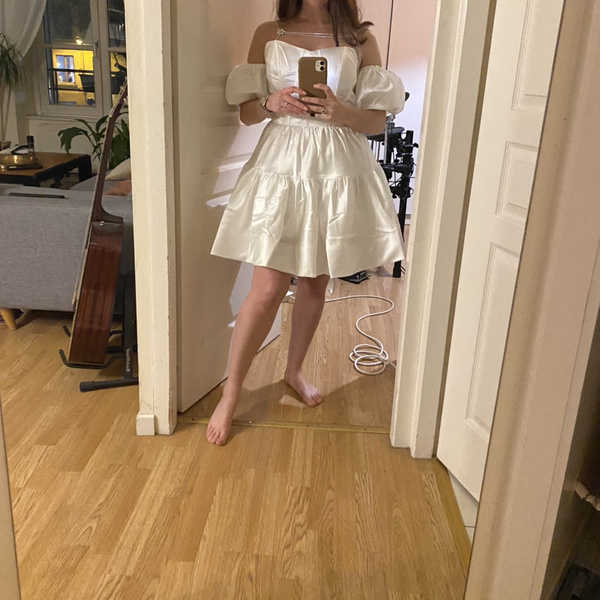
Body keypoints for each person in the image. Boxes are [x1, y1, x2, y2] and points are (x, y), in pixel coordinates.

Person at [207, 0, 406, 445]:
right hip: (282, 165)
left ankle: (293, 371)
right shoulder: (269, 32)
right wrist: (271, 101)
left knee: (315, 283)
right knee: (267, 288)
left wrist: (341, 112)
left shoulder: (360, 38)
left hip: (337, 166)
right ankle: (232, 392)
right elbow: (247, 114)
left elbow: (376, 122)